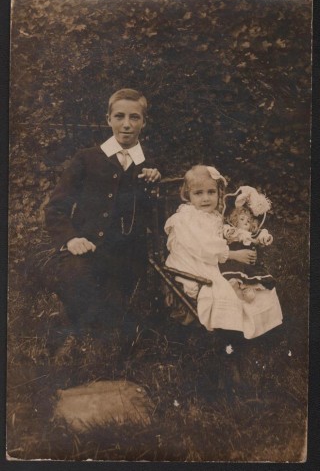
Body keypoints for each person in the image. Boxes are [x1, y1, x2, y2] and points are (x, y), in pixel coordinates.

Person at [42, 88, 161, 351]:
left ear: (144, 122)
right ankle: (75, 331)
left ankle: (92, 332)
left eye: (134, 118)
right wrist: (71, 239)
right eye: (119, 116)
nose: (126, 125)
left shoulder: (149, 164)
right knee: (76, 278)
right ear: (108, 119)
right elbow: (55, 208)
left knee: (117, 318)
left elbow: (150, 216)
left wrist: (154, 186)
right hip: (85, 249)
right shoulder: (86, 158)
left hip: (126, 257)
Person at [164, 165, 254, 334]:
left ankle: (244, 319)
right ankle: (227, 330)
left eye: (211, 192)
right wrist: (233, 254)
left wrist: (241, 235)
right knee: (219, 289)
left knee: (238, 281)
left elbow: (219, 236)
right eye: (198, 193)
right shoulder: (186, 217)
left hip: (207, 258)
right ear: (188, 195)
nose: (206, 198)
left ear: (218, 193)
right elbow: (203, 245)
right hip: (190, 260)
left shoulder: (213, 215)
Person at [221, 185, 283, 339]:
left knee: (259, 281)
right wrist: (228, 232)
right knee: (235, 278)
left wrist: (264, 238)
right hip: (234, 262)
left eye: (248, 220)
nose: (245, 223)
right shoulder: (233, 232)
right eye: (241, 219)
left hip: (250, 266)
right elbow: (224, 233)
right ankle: (240, 289)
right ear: (234, 219)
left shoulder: (252, 233)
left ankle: (250, 291)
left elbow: (262, 234)